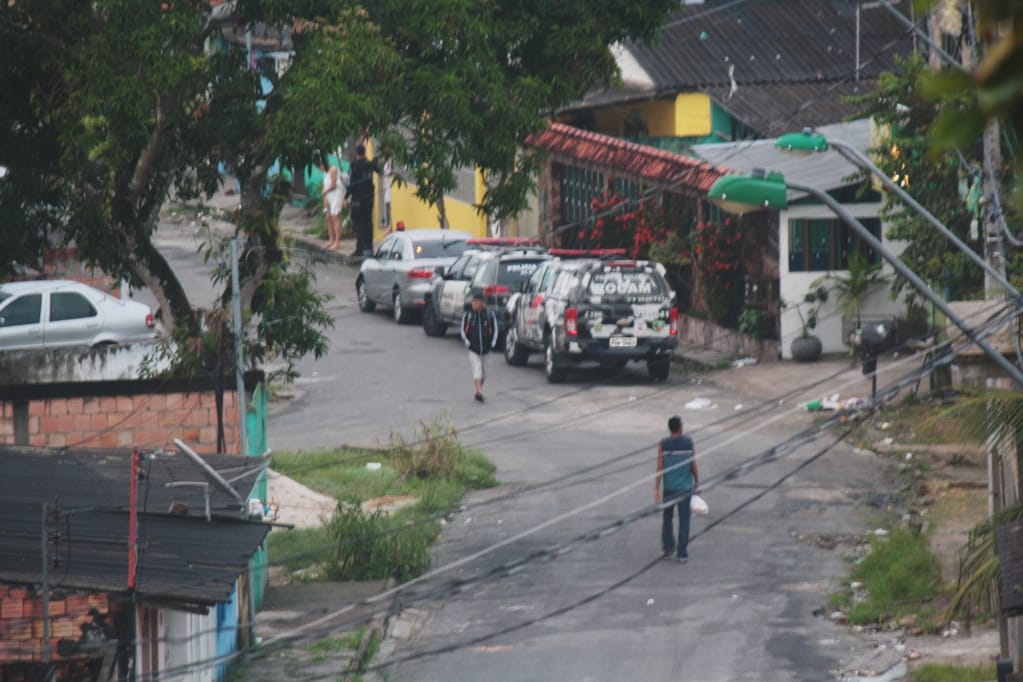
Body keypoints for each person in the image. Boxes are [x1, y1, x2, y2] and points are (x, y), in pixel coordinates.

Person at [655, 415, 699, 563]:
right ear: (680, 428)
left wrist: (656, 488)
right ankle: (682, 553)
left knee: (667, 517)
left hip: (669, 488)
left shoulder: (663, 444)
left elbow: (660, 467)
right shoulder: (688, 442)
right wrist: (697, 480)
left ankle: (668, 549)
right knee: (684, 519)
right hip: (685, 488)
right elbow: (693, 464)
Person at [460, 293, 499, 402]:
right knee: (477, 368)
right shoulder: (468, 315)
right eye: (473, 302)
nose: (474, 304)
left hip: (486, 349)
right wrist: (467, 343)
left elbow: (495, 329)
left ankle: (479, 389)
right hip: (473, 349)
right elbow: (463, 330)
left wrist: (493, 342)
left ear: (482, 303)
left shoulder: (489, 315)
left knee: (484, 373)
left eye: (476, 302)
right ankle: (479, 391)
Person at [344, 143, 378, 257]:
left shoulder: (354, 166)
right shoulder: (369, 164)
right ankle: (369, 247)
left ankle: (360, 249)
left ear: (356, 154)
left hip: (357, 200)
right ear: (364, 152)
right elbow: (379, 169)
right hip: (369, 199)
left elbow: (351, 184)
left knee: (358, 224)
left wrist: (346, 197)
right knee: (368, 223)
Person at [319, 160, 344, 251]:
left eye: (320, 166)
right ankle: (331, 240)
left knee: (335, 216)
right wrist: (325, 197)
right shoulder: (325, 173)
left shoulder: (333, 170)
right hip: (329, 195)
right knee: (328, 217)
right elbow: (325, 185)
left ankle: (337, 242)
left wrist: (325, 192)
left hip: (336, 194)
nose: (320, 169)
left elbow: (333, 185)